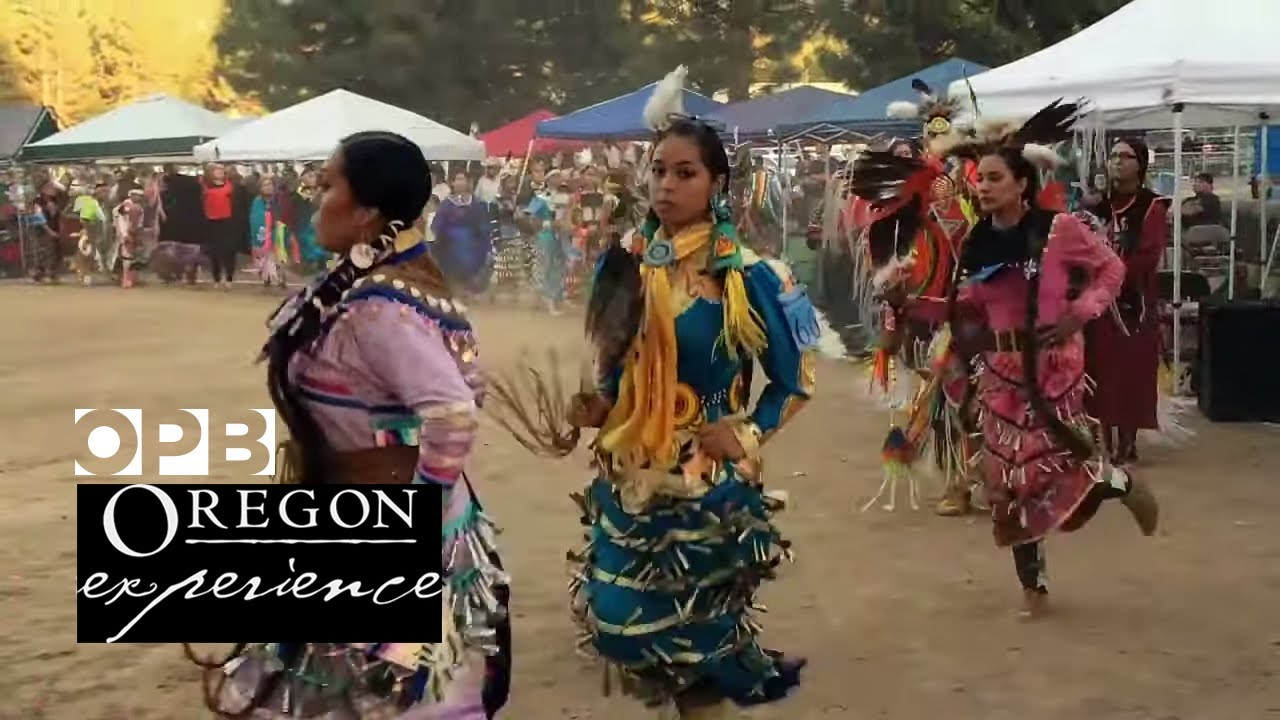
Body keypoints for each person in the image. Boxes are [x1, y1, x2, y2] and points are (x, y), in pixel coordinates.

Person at [502, 66, 814, 719]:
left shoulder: (751, 276)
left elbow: (795, 382)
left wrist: (747, 431)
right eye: (658, 171)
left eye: (685, 173)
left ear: (717, 183)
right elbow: (613, 365)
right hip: (631, 474)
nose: (666, 184)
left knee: (698, 647)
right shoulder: (625, 264)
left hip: (706, 481)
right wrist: (597, 405)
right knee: (622, 622)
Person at [185, 132, 511, 719]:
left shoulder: (379, 309)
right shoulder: (375, 287)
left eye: (328, 185)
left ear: (366, 212)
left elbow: (454, 414)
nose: (315, 198)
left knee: (380, 695)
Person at [857, 101, 1160, 618]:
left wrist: (1080, 312)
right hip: (999, 376)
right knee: (1007, 485)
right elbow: (963, 308)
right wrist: (909, 301)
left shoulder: (1059, 229)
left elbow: (1111, 270)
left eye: (995, 178)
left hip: (1053, 371)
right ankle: (1033, 587)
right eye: (979, 178)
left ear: (1022, 183)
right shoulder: (977, 242)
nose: (982, 186)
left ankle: (1117, 482)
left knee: (1049, 475)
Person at [1087, 138, 1167, 465]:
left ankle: (1128, 441)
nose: (1117, 162)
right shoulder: (1096, 206)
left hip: (1134, 301)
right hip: (1098, 301)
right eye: (1113, 156)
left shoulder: (1152, 206)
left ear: (1140, 164)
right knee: (1099, 368)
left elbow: (1149, 255)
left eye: (1126, 156)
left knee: (1131, 370)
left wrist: (1112, 273)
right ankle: (1104, 440)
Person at [431, 170, 495, 296]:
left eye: (462, 179)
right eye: (457, 179)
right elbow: (437, 225)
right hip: (449, 245)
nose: (459, 182)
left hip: (472, 244)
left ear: (468, 182)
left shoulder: (476, 203)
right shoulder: (446, 204)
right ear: (452, 183)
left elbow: (483, 226)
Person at [202, 163, 239, 289]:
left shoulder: (230, 186)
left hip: (227, 221)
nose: (219, 172)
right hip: (211, 222)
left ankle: (229, 278)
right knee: (214, 251)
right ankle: (216, 278)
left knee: (228, 250)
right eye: (216, 170)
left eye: (221, 170)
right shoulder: (205, 186)